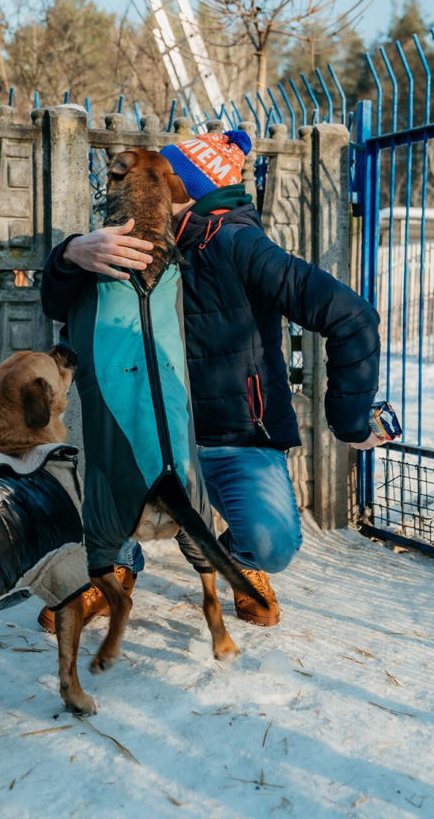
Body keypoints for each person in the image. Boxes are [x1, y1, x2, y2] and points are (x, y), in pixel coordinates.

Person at [37, 129, 385, 633]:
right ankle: (115, 570)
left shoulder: (240, 245)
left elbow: (352, 316)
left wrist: (351, 424)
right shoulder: (128, 237)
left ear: (188, 192)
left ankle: (238, 558)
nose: (152, 187)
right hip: (143, 430)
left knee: (274, 545)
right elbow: (57, 306)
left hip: (232, 438)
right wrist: (70, 255)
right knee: (110, 472)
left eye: (167, 179)